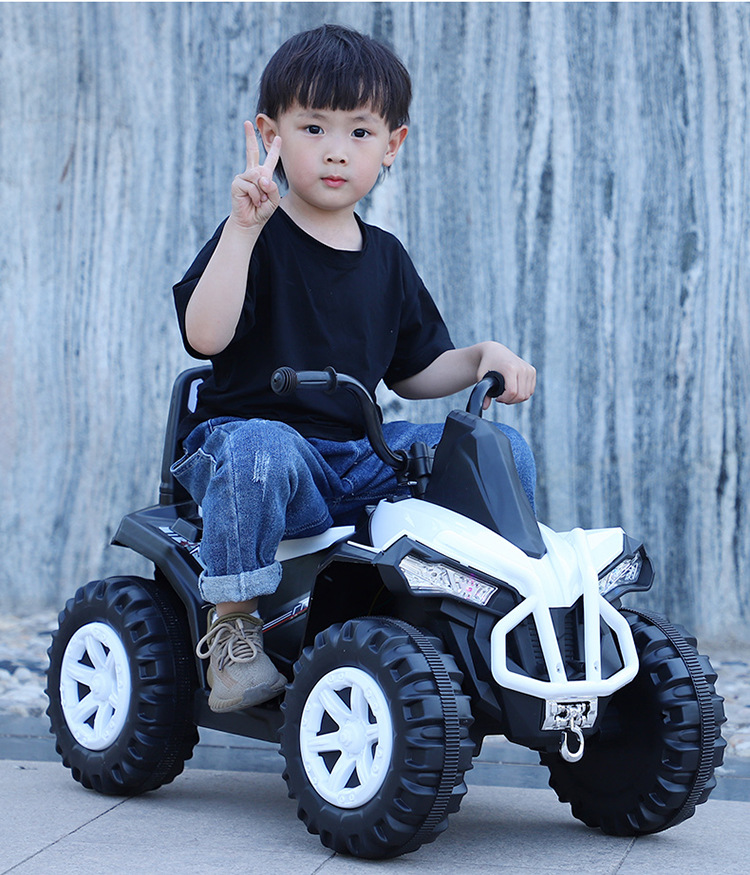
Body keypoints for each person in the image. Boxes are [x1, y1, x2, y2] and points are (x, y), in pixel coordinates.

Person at [171, 23, 537, 713]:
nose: (336, 150)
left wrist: (480, 358)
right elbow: (204, 335)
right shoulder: (255, 235)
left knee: (496, 448)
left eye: (360, 133)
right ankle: (234, 627)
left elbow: (413, 373)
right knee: (259, 447)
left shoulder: (387, 257)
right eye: (313, 128)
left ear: (391, 145)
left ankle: (496, 610)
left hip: (357, 455)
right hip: (261, 456)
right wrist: (242, 230)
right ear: (271, 136)